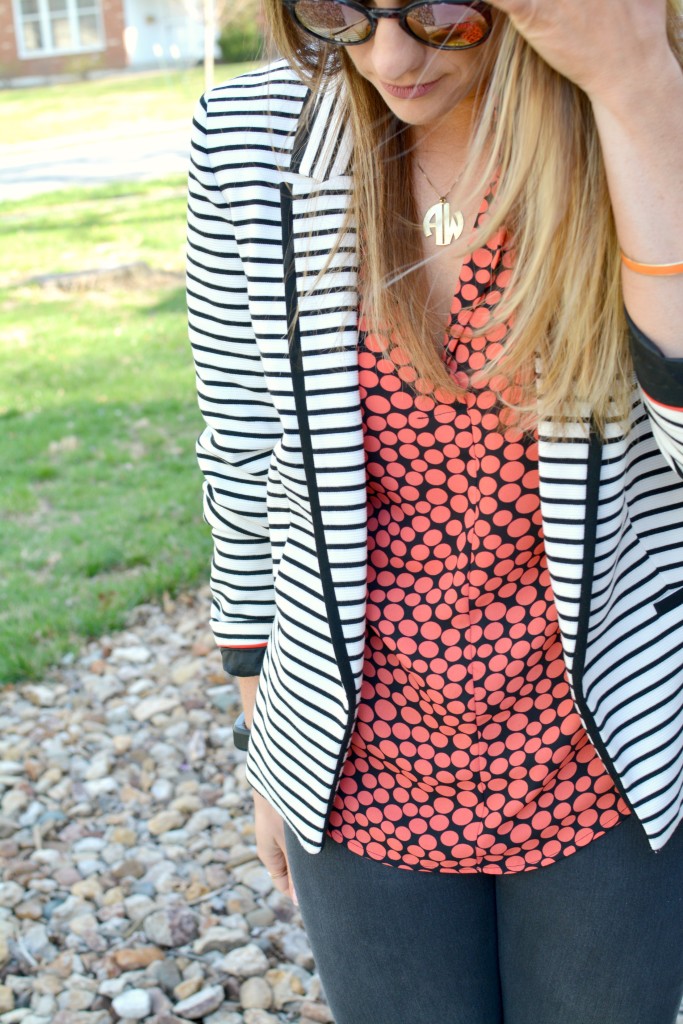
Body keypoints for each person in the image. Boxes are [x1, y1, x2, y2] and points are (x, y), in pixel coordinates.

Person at [187, 1, 683, 1021]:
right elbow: (242, 451)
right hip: (359, 764)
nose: (389, 55)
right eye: (337, 10)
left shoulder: (635, 116)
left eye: (442, 11)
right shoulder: (246, 140)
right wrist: (263, 731)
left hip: (604, 760)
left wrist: (636, 89)